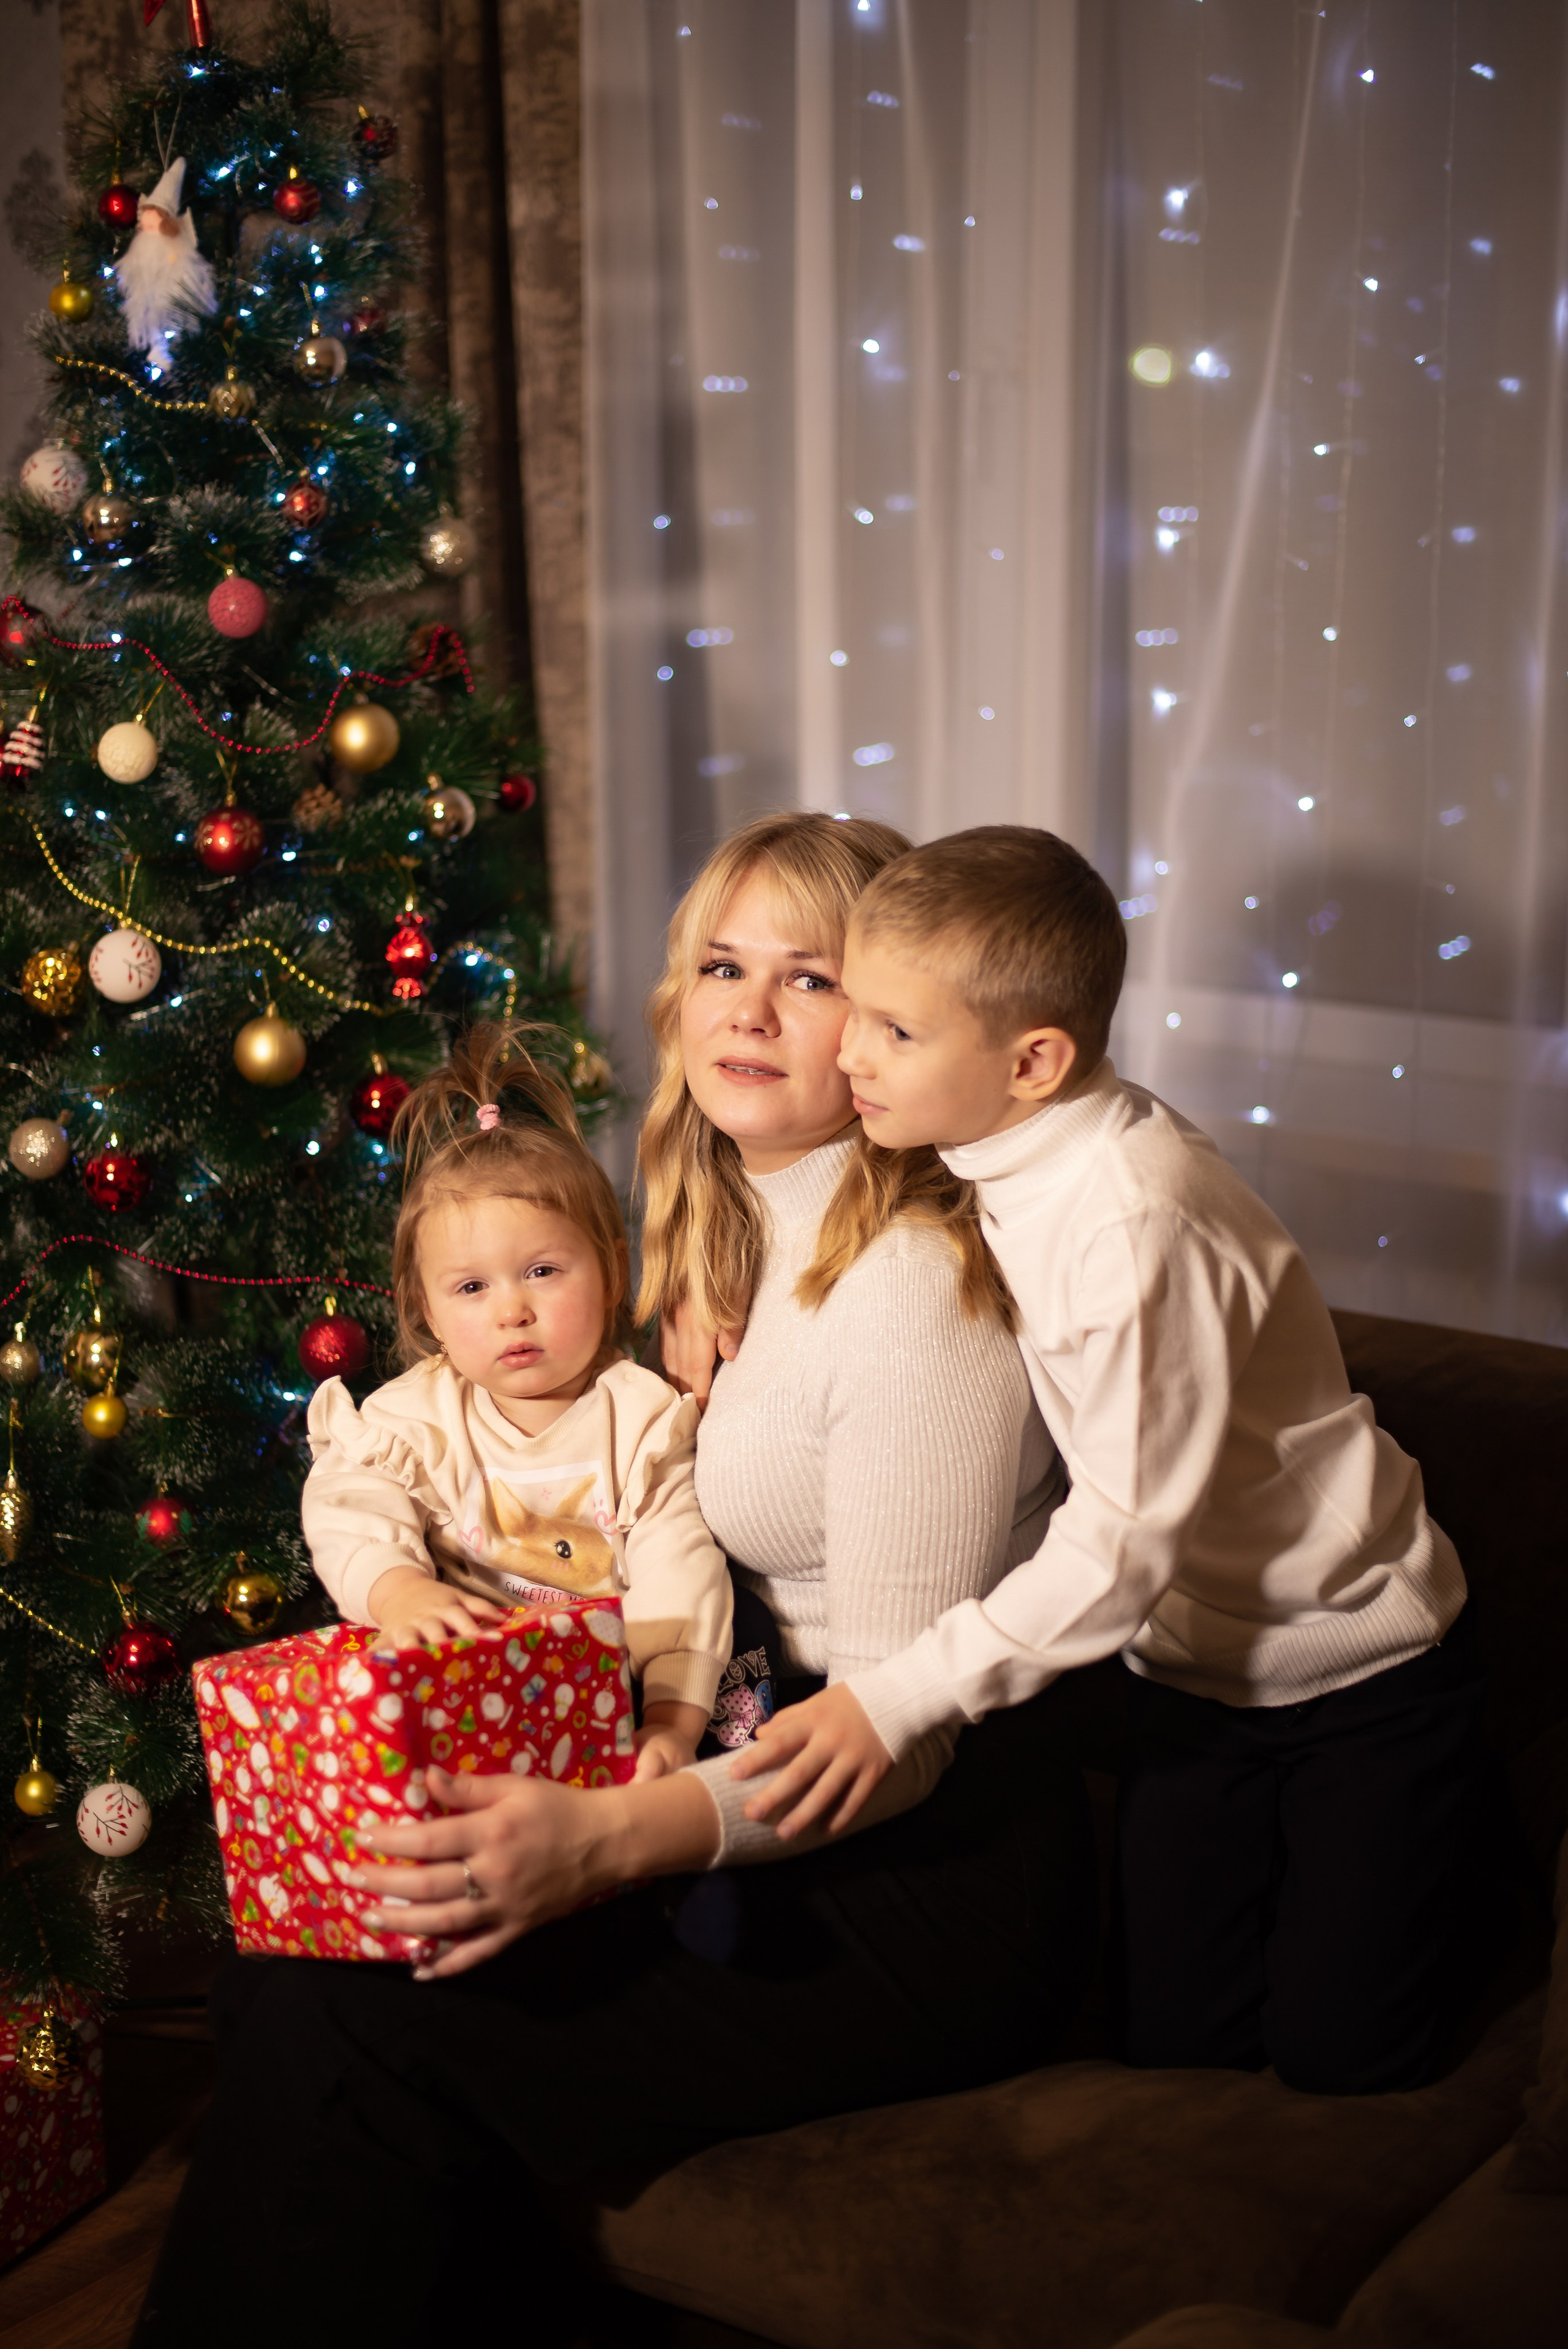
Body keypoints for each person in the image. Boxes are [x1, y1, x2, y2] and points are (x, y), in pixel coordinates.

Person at [134, 814, 1095, 2347]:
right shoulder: (716, 1236)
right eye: (722, 963)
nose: (749, 1008)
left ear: (894, 1018)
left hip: (916, 1861)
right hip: (732, 1743)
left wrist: (599, 1840)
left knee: (353, 2018)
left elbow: (898, 1746)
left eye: (810, 975)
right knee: (304, 1953)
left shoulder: (916, 1289)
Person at [734, 824, 1482, 2096]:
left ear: (1033, 1061)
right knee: (1173, 2044)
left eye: (891, 1032)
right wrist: (724, 1296)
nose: (847, 1050)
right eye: (852, 1008)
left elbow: (1123, 1543)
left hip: (1353, 1665)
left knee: (1344, 2056)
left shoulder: (1132, 1223)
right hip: (1188, 1678)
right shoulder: (994, 1135)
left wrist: (899, 1695)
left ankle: (1457, 1854)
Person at [303, 1020, 732, 1798]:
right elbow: (346, 1504)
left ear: (610, 1269)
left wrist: (672, 1721)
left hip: (607, 1710)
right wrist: (399, 1591)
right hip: (457, 1713)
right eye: (471, 1287)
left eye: (541, 1270)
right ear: (425, 1309)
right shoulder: (413, 1421)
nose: (513, 1311)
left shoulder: (637, 1419)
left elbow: (682, 1576)